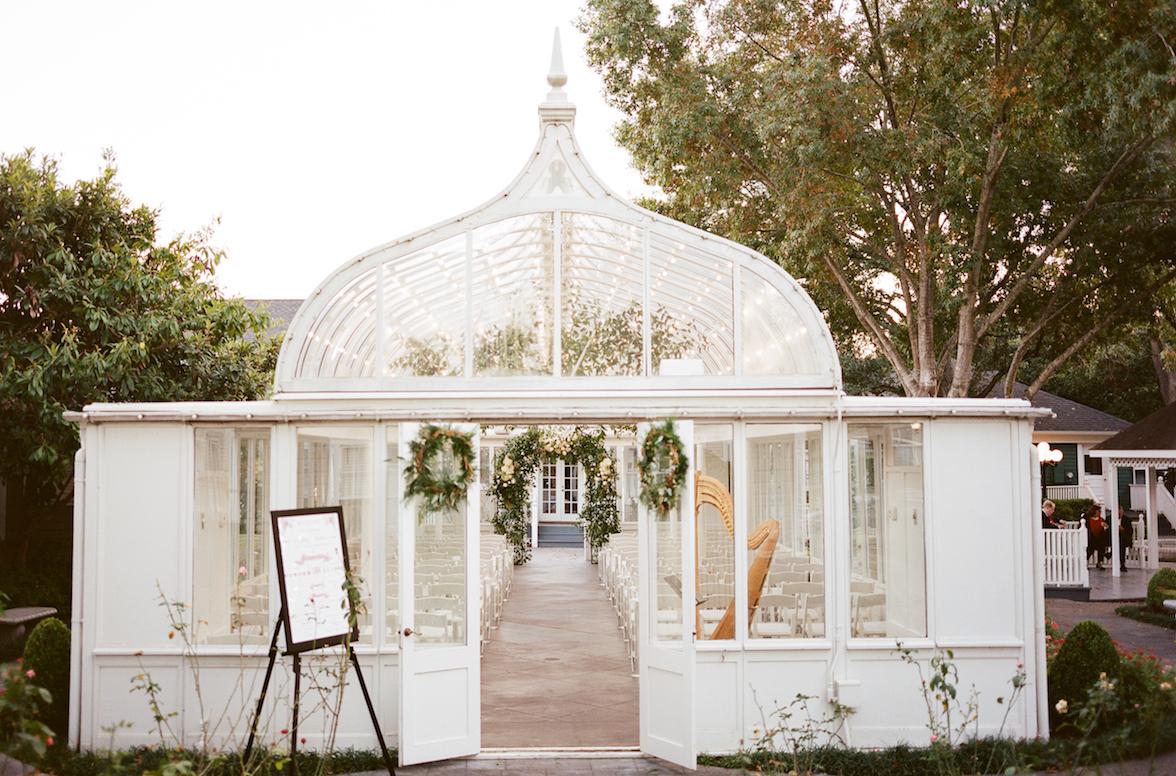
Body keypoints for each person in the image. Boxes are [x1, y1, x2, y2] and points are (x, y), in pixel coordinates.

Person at [1085, 504, 1109, 569]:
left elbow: (1106, 529)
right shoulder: (1087, 519)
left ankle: (1099, 563)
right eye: (1098, 511)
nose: (1100, 512)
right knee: (1090, 549)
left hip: (1100, 538)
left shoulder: (1102, 520)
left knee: (1101, 547)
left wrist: (1105, 527)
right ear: (1094, 511)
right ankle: (1085, 564)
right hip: (1090, 538)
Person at [1116, 505, 1133, 572]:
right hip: (1112, 539)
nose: (1119, 513)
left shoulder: (1127, 519)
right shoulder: (1110, 518)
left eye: (1120, 511)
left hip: (1124, 539)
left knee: (1121, 543)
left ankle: (1122, 564)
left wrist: (1123, 530)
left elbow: (1130, 531)